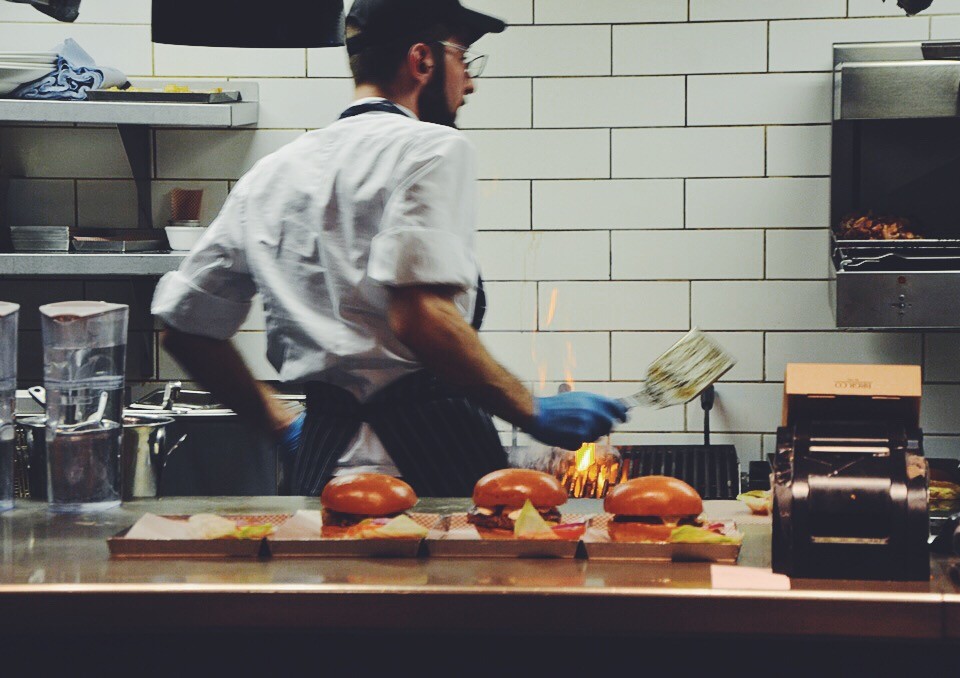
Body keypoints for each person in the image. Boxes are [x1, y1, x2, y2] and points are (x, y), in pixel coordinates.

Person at [151, 0, 627, 497]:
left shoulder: (271, 173)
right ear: (422, 60)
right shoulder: (432, 147)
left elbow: (184, 328)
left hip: (322, 468)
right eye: (463, 58)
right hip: (437, 467)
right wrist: (531, 410)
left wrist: (281, 424)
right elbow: (421, 317)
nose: (469, 83)